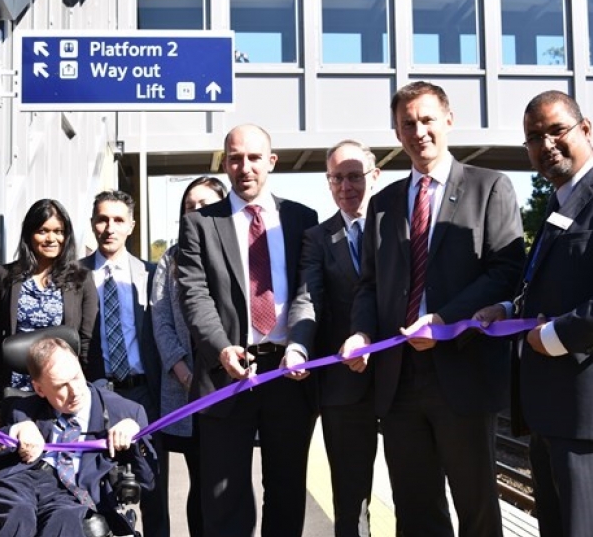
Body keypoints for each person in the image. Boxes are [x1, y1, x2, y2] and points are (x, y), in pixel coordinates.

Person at [340, 81, 525, 537]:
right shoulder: (382, 203)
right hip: (399, 380)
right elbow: (370, 285)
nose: (418, 130)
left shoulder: (490, 187)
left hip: (462, 369)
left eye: (426, 119)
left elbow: (506, 270)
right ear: (396, 132)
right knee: (415, 508)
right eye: (407, 123)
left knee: (476, 506)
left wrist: (446, 320)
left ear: (448, 120)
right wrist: (362, 332)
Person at [473, 90, 593, 537]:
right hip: (554, 412)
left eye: (557, 130)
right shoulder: (560, 202)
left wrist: (555, 336)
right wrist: (507, 309)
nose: (546, 143)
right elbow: (550, 290)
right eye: (534, 137)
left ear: (586, 129)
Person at [176, 124, 319, 537]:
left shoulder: (301, 220)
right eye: (235, 158)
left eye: (254, 157)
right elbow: (195, 296)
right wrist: (221, 348)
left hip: (287, 375)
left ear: (271, 162)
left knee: (287, 493)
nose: (245, 167)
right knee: (224, 501)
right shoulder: (200, 225)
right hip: (226, 376)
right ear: (225, 163)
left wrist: (301, 346)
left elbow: (310, 291)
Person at [0, 337, 155, 537]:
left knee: (64, 517)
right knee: (18, 511)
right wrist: (15, 432)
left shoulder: (125, 412)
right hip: (22, 484)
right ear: (39, 389)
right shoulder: (23, 409)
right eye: (61, 386)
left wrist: (134, 439)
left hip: (73, 492)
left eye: (76, 377)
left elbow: (148, 482)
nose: (74, 391)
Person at [286, 139, 379, 537]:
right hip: (344, 385)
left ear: (374, 177)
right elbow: (308, 297)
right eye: (336, 178)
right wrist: (299, 344)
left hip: (405, 378)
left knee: (417, 492)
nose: (346, 186)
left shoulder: (398, 226)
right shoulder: (318, 238)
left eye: (354, 176)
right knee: (351, 500)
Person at [80, 190, 169, 537]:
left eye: (118, 220)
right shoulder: (75, 276)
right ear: (92, 224)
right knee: (96, 485)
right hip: (95, 394)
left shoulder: (150, 274)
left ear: (131, 225)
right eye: (102, 219)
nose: (109, 228)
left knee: (153, 488)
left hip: (142, 393)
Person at [149, 175, 226, 537]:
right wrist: (181, 371)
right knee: (200, 479)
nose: (196, 211)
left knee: (228, 484)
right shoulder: (171, 258)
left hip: (231, 385)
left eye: (205, 204)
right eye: (189, 205)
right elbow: (160, 318)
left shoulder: (234, 250)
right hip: (190, 387)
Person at [0, 199, 98, 424]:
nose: (51, 239)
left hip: (64, 395)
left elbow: (87, 341)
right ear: (29, 234)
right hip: (16, 395)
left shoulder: (81, 279)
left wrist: (87, 393)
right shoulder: (3, 276)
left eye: (58, 231)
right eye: (43, 231)